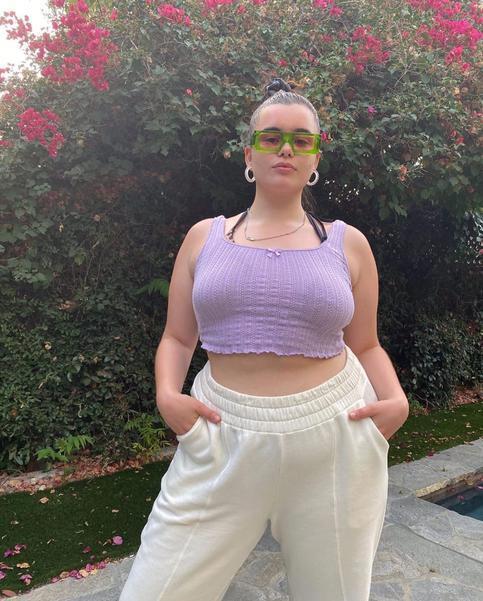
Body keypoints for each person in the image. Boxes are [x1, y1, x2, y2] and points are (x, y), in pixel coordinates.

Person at [119, 77, 409, 601]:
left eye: (302, 139)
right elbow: (178, 337)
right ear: (249, 152)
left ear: (315, 156)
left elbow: (366, 344)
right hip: (219, 435)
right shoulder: (204, 238)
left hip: (335, 439)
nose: (286, 149)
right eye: (271, 137)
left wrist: (395, 401)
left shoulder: (349, 245)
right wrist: (166, 395)